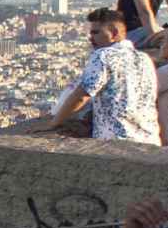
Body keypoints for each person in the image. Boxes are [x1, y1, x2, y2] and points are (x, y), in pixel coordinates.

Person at [45, 8, 159, 144]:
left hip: (116, 140)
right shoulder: (144, 58)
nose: (91, 38)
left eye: (96, 32)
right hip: (149, 139)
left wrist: (53, 123)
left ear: (114, 33)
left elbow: (82, 96)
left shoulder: (103, 55)